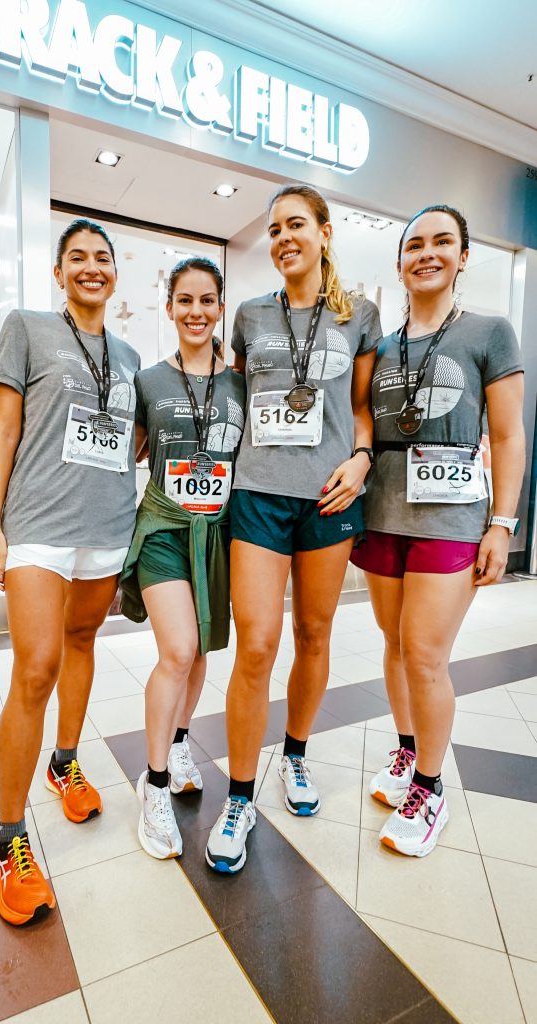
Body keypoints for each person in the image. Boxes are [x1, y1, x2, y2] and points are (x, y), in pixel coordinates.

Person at [205, 184, 382, 873]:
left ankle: (297, 756)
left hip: (329, 498)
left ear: (325, 232)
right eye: (274, 228)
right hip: (258, 493)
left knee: (314, 633)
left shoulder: (358, 314)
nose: (283, 238)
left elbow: (360, 409)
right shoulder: (249, 316)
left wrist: (362, 458)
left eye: (296, 225)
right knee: (256, 644)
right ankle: (239, 794)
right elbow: (239, 398)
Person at [0, 217, 140, 924]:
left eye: (102, 258)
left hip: (105, 526)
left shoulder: (131, 354)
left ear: (114, 272)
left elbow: (130, 439)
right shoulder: (28, 328)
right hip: (38, 525)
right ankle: (9, 837)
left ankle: (63, 762)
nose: (91, 267)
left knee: (80, 645)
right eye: (77, 257)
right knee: (35, 666)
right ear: (58, 271)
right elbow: (4, 429)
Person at [351, 204, 525, 857]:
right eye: (413, 244)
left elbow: (507, 435)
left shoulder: (488, 332)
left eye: (441, 242)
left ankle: (430, 786)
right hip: (382, 516)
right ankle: (406, 754)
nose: (426, 253)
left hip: (451, 520)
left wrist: (501, 524)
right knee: (394, 648)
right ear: (398, 262)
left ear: (462, 256)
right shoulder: (381, 346)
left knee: (425, 654)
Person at [120, 257, 246, 859]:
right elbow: (128, 451)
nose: (196, 312)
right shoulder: (148, 381)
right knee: (177, 650)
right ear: (168, 307)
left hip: (220, 535)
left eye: (207, 300)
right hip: (165, 528)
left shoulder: (243, 383)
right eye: (184, 301)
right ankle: (155, 784)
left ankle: (177, 740)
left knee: (199, 653)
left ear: (220, 306)